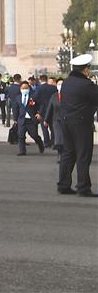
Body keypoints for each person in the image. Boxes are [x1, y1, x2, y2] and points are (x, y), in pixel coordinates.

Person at [57, 54, 98, 197]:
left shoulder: (67, 82)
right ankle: (83, 187)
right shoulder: (86, 85)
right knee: (83, 154)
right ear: (85, 69)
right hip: (81, 123)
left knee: (68, 153)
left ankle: (63, 185)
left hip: (66, 121)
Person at [12, 80, 45, 156]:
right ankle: (22, 151)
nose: (24, 90)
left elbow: (41, 104)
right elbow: (15, 109)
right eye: (23, 88)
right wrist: (15, 119)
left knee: (34, 135)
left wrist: (39, 113)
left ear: (29, 88)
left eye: (26, 88)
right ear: (20, 89)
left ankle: (40, 143)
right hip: (22, 119)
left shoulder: (34, 96)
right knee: (21, 136)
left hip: (31, 120)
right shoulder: (18, 97)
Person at [44, 78, 65, 163]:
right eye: (59, 84)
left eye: (62, 84)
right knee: (59, 138)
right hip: (56, 120)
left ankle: (66, 155)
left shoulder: (69, 95)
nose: (60, 86)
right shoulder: (54, 96)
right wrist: (46, 120)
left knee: (66, 139)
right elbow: (50, 108)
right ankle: (60, 154)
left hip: (67, 120)